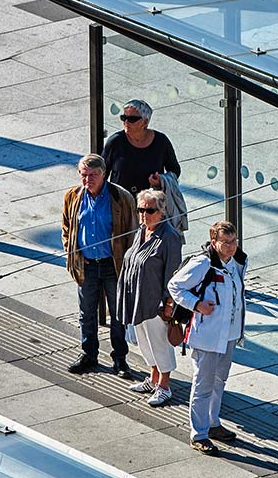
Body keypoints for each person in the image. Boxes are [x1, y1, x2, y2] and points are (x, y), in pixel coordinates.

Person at [168, 221, 246, 454]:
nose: (231, 247)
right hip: (207, 336)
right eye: (226, 242)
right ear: (214, 242)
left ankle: (213, 423)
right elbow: (175, 286)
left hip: (229, 335)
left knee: (219, 380)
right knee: (203, 384)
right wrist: (197, 305)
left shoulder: (239, 261)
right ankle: (198, 433)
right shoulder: (203, 263)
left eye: (234, 241)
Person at [61, 155, 137, 376]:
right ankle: (89, 354)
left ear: (104, 174)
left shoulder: (121, 197)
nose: (88, 180)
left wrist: (129, 265)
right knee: (87, 313)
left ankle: (120, 358)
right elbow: (67, 227)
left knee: (117, 313)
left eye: (93, 175)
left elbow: (131, 233)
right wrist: (72, 252)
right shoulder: (73, 196)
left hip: (113, 265)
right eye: (84, 175)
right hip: (86, 265)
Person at [117, 187, 184, 407]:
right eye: (141, 210)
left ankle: (164, 386)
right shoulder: (141, 231)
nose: (144, 215)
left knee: (160, 343)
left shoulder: (170, 238)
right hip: (137, 298)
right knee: (144, 341)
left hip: (156, 303)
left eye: (150, 210)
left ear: (162, 211)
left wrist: (168, 305)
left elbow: (173, 275)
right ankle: (153, 378)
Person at [101, 99, 181, 197]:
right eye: (124, 117)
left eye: (132, 119)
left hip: (150, 204)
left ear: (145, 122)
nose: (126, 122)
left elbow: (174, 169)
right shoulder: (115, 141)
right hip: (121, 203)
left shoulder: (161, 141)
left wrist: (161, 180)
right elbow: (102, 172)